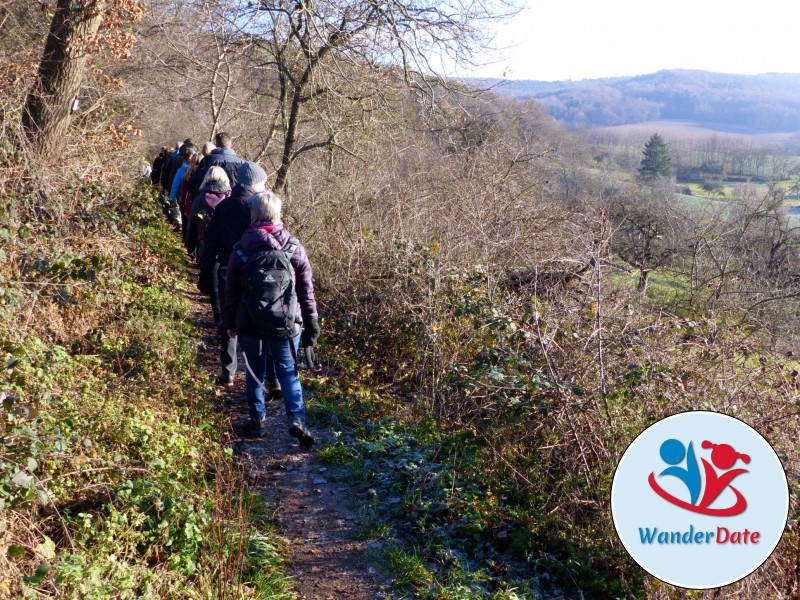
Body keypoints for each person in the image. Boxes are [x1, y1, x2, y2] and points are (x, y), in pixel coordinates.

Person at [224, 191, 320, 442]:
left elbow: (231, 292)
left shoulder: (241, 249)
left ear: (252, 215)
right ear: (278, 214)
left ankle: (258, 422)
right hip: (287, 322)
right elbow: (306, 290)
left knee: (255, 373)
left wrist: (230, 324)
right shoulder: (294, 247)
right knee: (288, 372)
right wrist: (311, 324)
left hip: (250, 322)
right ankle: (297, 419)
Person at [199, 162, 267, 386]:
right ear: (255, 183)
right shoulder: (259, 207)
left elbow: (210, 244)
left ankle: (228, 372)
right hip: (256, 272)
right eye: (263, 182)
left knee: (229, 320)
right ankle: (257, 375)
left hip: (227, 269)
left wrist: (205, 274)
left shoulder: (224, 207)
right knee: (255, 321)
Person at [189, 132, 244, 199]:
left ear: (216, 145)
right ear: (231, 146)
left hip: (208, 200)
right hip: (233, 202)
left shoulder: (207, 160)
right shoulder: (241, 162)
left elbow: (197, 182)